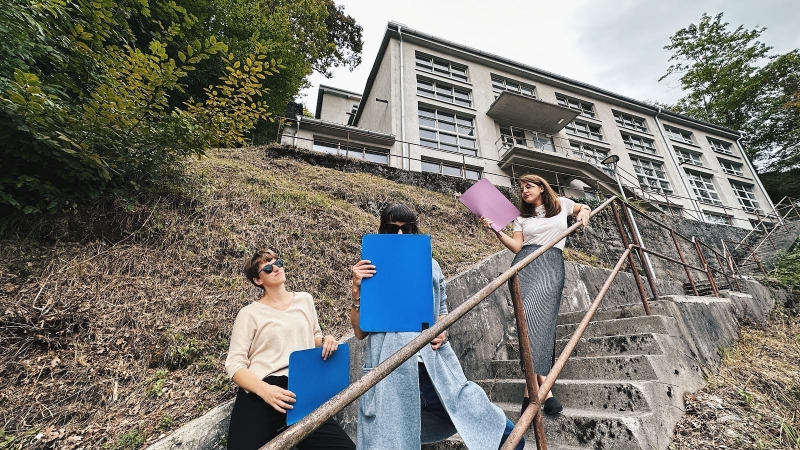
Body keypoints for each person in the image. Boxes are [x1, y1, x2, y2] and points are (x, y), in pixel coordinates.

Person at [350, 203, 524, 450]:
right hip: (390, 372)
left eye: (407, 228)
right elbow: (359, 332)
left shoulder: (430, 264)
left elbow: (442, 312)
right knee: (392, 439)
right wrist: (356, 289)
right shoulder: (369, 267)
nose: (399, 234)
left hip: (434, 366)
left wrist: (442, 330)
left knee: (506, 435)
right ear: (382, 231)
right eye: (391, 228)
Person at [480, 174, 591, 417]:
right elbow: (517, 247)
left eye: (528, 186)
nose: (524, 191)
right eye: (521, 188)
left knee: (545, 324)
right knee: (528, 324)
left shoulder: (561, 204)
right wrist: (495, 229)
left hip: (551, 265)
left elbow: (582, 207)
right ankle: (544, 393)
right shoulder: (521, 217)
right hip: (525, 266)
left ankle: (533, 393)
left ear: (542, 187)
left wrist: (585, 211)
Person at [225, 249, 356, 450]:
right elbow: (234, 365)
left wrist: (326, 340)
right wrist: (265, 391)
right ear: (257, 280)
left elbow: (314, 336)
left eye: (279, 263)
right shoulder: (249, 314)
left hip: (301, 389)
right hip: (263, 390)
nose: (277, 268)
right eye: (268, 268)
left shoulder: (305, 300)